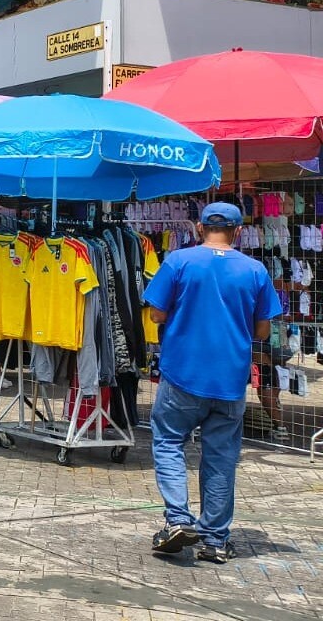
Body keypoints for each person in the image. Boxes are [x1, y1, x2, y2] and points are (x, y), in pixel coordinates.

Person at [142, 201, 283, 564]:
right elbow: (263, 330)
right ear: (237, 231)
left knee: (169, 443)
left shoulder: (178, 261)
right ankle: (215, 540)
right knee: (221, 459)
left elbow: (156, 312)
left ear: (200, 227)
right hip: (230, 380)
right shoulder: (255, 270)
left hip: (182, 374)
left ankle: (177, 520)